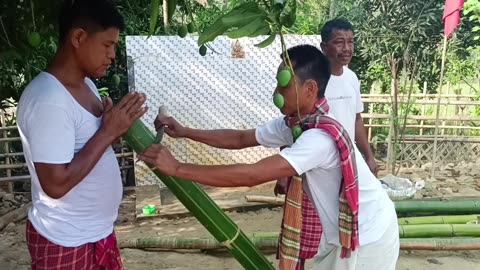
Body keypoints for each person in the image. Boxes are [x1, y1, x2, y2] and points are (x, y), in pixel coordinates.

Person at [138, 44, 399, 270]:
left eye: (283, 84)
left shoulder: (318, 138)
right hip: (349, 232)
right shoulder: (296, 124)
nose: (276, 90)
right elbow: (240, 139)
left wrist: (177, 167)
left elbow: (253, 174)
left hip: (369, 235)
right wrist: (185, 132)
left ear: (309, 89)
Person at [16, 0, 147, 269]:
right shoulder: (49, 99)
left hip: (94, 233)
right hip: (64, 239)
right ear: (78, 37)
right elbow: (55, 185)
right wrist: (107, 132)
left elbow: (91, 146)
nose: (112, 55)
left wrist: (113, 129)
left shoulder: (85, 84)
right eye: (107, 45)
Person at [274, 19, 380, 266]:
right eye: (339, 42)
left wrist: (369, 155)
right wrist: (283, 174)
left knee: (339, 230)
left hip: (344, 169)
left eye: (351, 42)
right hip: (312, 168)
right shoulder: (311, 84)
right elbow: (294, 123)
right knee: (302, 235)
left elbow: (356, 120)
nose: (346, 48)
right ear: (324, 47)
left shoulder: (352, 79)